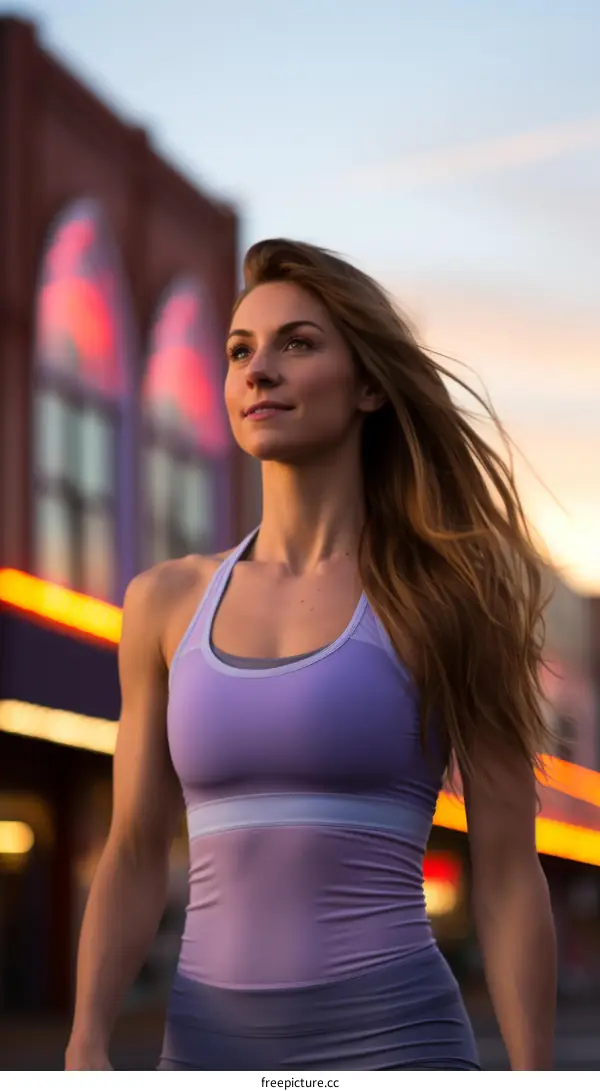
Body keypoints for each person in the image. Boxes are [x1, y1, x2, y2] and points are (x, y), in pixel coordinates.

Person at [65, 238, 557, 1072]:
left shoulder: (445, 597)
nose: (259, 371)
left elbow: (510, 874)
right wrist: (85, 1040)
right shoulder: (164, 603)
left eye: (298, 343)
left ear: (369, 384)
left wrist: (536, 1075)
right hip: (203, 1056)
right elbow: (136, 846)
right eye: (239, 350)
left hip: (399, 1047)